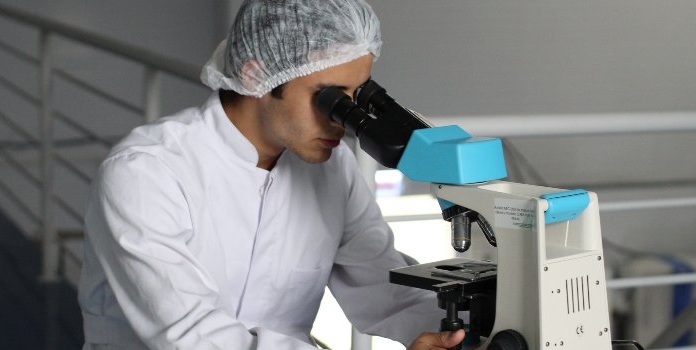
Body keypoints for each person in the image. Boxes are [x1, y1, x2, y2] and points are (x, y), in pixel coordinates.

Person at [78, 0, 465, 349]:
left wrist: (458, 333)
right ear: (255, 75)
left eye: (358, 96)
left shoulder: (334, 170)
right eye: (329, 96)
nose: (343, 120)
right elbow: (192, 334)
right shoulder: (147, 173)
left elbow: (385, 289)